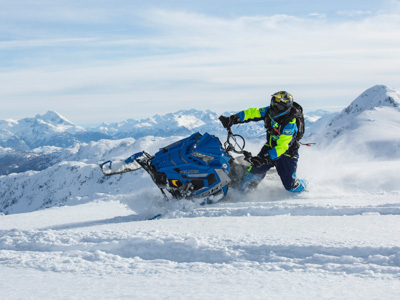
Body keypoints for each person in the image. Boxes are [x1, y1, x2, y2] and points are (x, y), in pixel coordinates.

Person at [219, 91, 307, 193]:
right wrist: (233, 118)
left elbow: (282, 147)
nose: (275, 109)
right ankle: (245, 195)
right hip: (270, 147)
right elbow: (252, 113)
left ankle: (305, 186)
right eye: (274, 105)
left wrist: (265, 159)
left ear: (286, 108)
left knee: (291, 186)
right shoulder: (269, 112)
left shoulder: (290, 124)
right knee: (246, 183)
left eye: (279, 107)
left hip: (287, 154)